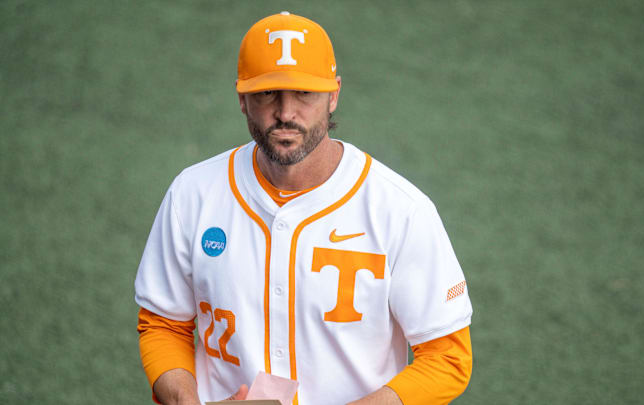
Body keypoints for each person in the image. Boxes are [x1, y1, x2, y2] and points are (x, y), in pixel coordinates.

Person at [135, 11, 473, 405]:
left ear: (333, 95)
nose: (285, 113)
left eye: (304, 94)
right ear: (242, 98)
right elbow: (164, 323)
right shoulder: (192, 194)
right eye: (267, 94)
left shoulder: (401, 211)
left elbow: (448, 357)